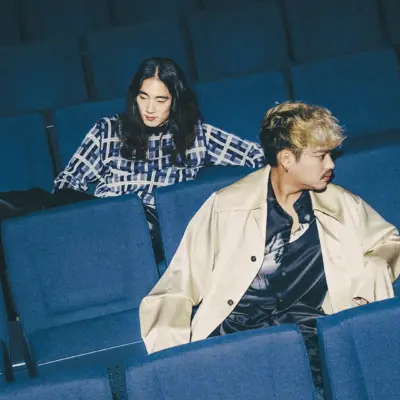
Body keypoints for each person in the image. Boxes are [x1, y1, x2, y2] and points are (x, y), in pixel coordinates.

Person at [139, 101, 400, 395]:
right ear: (287, 159)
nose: (331, 165)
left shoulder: (339, 203)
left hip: (307, 336)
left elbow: (388, 242)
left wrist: (372, 272)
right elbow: (177, 287)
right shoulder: (227, 207)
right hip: (237, 341)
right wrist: (172, 363)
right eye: (321, 156)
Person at [54, 57, 265, 262]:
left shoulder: (195, 135)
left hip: (153, 229)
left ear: (175, 101)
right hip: (105, 215)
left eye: (160, 99)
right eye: (143, 97)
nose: (150, 108)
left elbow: (256, 155)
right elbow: (68, 180)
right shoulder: (108, 130)